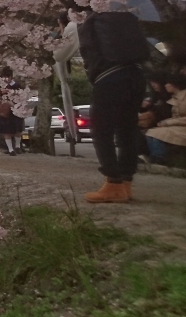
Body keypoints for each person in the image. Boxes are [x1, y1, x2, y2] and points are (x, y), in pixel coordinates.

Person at [78, 11, 149, 203]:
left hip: (109, 79)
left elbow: (68, 53)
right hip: (137, 76)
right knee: (128, 128)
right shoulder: (115, 26)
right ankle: (126, 183)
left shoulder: (84, 26)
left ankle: (113, 183)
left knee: (102, 130)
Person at [146, 77, 186, 166]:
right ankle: (156, 155)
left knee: (158, 133)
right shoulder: (174, 98)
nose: (165, 86)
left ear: (174, 85)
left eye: (167, 83)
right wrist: (165, 122)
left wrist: (168, 123)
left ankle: (160, 157)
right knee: (152, 131)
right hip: (178, 125)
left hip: (182, 127)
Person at [0, 67, 26, 155]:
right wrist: (0, 93)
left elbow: (22, 95)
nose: (6, 79)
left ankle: (17, 146)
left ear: (11, 77)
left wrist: (11, 92)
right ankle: (10, 149)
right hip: (4, 110)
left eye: (8, 77)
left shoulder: (17, 85)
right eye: (4, 77)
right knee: (6, 130)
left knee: (17, 129)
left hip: (16, 109)